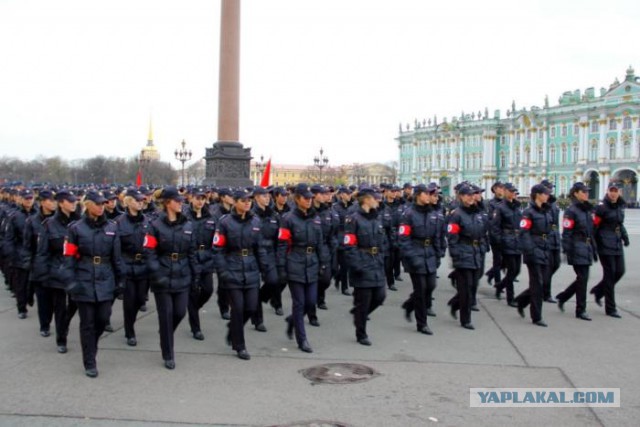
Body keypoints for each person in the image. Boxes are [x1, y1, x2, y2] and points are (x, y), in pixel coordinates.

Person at [61, 190, 124, 378]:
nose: (101, 207)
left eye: (103, 204)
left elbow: (117, 258)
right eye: (97, 203)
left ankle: (92, 345)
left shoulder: (112, 227)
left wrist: (121, 280)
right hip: (84, 276)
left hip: (105, 277)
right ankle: (89, 360)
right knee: (87, 322)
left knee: (103, 318)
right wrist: (70, 280)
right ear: (87, 204)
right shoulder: (75, 229)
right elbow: (69, 257)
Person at [143, 187, 200, 369]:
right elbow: (149, 252)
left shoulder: (188, 225)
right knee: (166, 315)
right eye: (177, 201)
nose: (181, 203)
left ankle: (165, 333)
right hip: (163, 275)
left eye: (182, 200)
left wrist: (195, 274)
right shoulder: (154, 225)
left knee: (179, 312)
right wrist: (156, 274)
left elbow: (191, 252)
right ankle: (168, 353)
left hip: (182, 274)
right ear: (167, 203)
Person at [213, 189, 268, 360]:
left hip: (250, 268)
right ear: (235, 202)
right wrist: (222, 271)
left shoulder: (256, 221)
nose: (247, 203)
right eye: (243, 200)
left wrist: (264, 267)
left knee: (251, 307)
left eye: (249, 200)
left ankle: (233, 330)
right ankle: (240, 345)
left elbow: (260, 248)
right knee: (237, 308)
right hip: (232, 267)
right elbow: (218, 249)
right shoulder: (225, 222)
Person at [277, 183, 328, 353]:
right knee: (299, 303)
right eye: (306, 198)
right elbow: (282, 245)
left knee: (311, 302)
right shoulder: (288, 218)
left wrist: (323, 262)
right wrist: (282, 268)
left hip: (312, 262)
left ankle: (292, 321)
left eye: (310, 198)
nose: (309, 201)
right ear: (297, 199)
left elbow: (320, 242)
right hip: (295, 262)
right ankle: (302, 339)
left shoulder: (316, 218)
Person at [34, 189, 81, 354]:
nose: (74, 203)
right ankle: (61, 338)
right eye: (70, 201)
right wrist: (41, 276)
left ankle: (65, 323)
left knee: (75, 304)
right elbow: (42, 252)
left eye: (75, 200)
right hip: (56, 271)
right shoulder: (49, 225)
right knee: (59, 307)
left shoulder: (80, 222)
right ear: (61, 203)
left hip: (75, 270)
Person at [398, 183, 445, 335]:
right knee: (421, 289)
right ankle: (422, 323)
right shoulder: (408, 214)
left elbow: (437, 235)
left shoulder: (434, 213)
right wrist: (411, 257)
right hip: (415, 253)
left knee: (431, 286)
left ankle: (409, 305)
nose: (430, 196)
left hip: (430, 253)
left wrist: (438, 254)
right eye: (427, 193)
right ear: (418, 195)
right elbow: (404, 238)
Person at [342, 186, 387, 345]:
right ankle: (361, 333)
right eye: (375, 198)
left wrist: (382, 256)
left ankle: (359, 315)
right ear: (367, 200)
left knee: (380, 296)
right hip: (362, 261)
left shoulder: (377, 218)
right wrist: (356, 265)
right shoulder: (353, 219)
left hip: (376, 262)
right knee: (364, 300)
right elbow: (349, 245)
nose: (378, 200)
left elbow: (382, 241)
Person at [447, 184, 489, 330]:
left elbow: (483, 233)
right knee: (466, 288)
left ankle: (455, 304)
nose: (471, 198)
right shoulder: (457, 214)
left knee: (473, 286)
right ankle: (466, 319)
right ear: (461, 197)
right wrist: (456, 256)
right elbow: (452, 237)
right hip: (463, 253)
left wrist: (482, 248)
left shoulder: (477, 213)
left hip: (476, 252)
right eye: (468, 195)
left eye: (473, 195)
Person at [115, 188, 151, 346]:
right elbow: (115, 248)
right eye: (137, 200)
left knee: (140, 299)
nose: (140, 203)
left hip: (143, 265)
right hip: (127, 265)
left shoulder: (147, 221)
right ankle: (129, 331)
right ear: (128, 202)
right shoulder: (118, 222)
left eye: (142, 201)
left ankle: (131, 322)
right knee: (129, 301)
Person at [557, 182, 597, 321]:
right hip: (576, 246)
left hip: (586, 247)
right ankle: (580, 310)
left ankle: (563, 297)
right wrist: (567, 250)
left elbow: (591, 231)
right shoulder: (571, 211)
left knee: (582, 279)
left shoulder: (587, 209)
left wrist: (594, 248)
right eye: (584, 191)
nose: (587, 194)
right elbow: (567, 233)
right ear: (576, 193)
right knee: (583, 278)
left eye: (587, 191)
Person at [514, 184, 553, 327]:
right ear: (537, 195)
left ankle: (522, 301)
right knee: (537, 284)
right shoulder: (528, 212)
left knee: (543, 282)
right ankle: (536, 316)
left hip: (544, 249)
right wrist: (530, 250)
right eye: (545, 193)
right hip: (534, 250)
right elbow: (524, 233)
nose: (548, 195)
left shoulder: (546, 211)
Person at [591, 181, 629, 318]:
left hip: (616, 243)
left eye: (616, 191)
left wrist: (625, 236)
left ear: (619, 192)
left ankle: (599, 291)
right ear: (607, 191)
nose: (613, 193)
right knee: (610, 274)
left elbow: (619, 224)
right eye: (611, 190)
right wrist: (593, 246)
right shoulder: (601, 208)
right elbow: (594, 228)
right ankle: (610, 308)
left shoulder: (620, 206)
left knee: (620, 271)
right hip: (604, 244)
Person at [22, 189, 57, 336]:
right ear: (42, 202)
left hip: (57, 264)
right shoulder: (32, 221)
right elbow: (27, 245)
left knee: (59, 301)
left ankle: (62, 328)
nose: (54, 203)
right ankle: (45, 325)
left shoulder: (60, 220)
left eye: (55, 200)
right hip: (39, 265)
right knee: (43, 300)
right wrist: (29, 264)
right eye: (50, 200)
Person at [184, 187, 217, 340]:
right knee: (193, 292)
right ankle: (195, 328)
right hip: (190, 257)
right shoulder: (184, 216)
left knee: (208, 290)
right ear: (191, 198)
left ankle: (194, 308)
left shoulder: (211, 217)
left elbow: (216, 239)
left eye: (203, 198)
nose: (200, 201)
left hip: (207, 257)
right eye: (198, 198)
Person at [4, 189, 37, 318]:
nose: (29, 201)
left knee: (32, 283)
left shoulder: (38, 215)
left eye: (31, 198)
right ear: (21, 199)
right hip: (20, 253)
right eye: (26, 198)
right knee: (21, 284)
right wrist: (11, 254)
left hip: (35, 253)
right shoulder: (14, 216)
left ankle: (29, 296)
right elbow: (9, 238)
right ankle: (21, 308)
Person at [251, 186, 280, 331]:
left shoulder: (274, 215)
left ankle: (257, 300)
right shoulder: (250, 215)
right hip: (254, 254)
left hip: (269, 253)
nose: (267, 198)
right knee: (255, 285)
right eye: (263, 196)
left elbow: (278, 238)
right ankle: (258, 320)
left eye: (268, 196)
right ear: (256, 198)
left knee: (274, 281)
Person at [309, 184, 338, 322]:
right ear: (314, 195)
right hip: (310, 250)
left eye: (327, 193)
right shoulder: (307, 211)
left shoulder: (328, 211)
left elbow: (333, 231)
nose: (326, 195)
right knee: (312, 280)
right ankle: (312, 312)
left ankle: (320, 295)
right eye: (322, 193)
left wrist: (333, 245)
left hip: (326, 248)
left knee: (326, 279)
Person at [491, 182, 523, 307]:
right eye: (511, 191)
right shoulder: (500, 208)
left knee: (517, 270)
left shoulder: (517, 207)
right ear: (505, 192)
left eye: (515, 191)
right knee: (511, 270)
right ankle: (511, 297)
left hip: (517, 242)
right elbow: (495, 227)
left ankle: (499, 286)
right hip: (507, 241)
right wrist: (500, 242)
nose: (514, 193)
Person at [211, 187, 234, 320]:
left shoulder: (235, 211)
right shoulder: (215, 213)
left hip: (233, 251)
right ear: (223, 197)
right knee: (224, 281)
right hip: (221, 251)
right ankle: (224, 306)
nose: (232, 198)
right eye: (230, 196)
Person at [540, 179, 561, 303]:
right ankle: (545, 293)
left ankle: (542, 285)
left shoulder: (553, 202)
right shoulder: (541, 204)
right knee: (547, 268)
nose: (550, 190)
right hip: (546, 238)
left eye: (551, 188)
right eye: (548, 188)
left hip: (555, 236)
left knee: (556, 264)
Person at [332, 186, 354, 294]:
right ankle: (337, 276)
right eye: (347, 193)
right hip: (338, 239)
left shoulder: (352, 207)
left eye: (350, 193)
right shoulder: (335, 207)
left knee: (346, 264)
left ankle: (344, 287)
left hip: (348, 239)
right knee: (334, 266)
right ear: (341, 195)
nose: (349, 195)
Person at [486, 181, 505, 286]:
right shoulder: (491, 203)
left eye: (503, 188)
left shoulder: (505, 202)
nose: (502, 189)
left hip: (505, 236)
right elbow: (491, 221)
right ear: (495, 189)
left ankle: (491, 273)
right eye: (500, 188)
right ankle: (498, 282)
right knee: (497, 260)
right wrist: (494, 236)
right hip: (495, 236)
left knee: (505, 260)